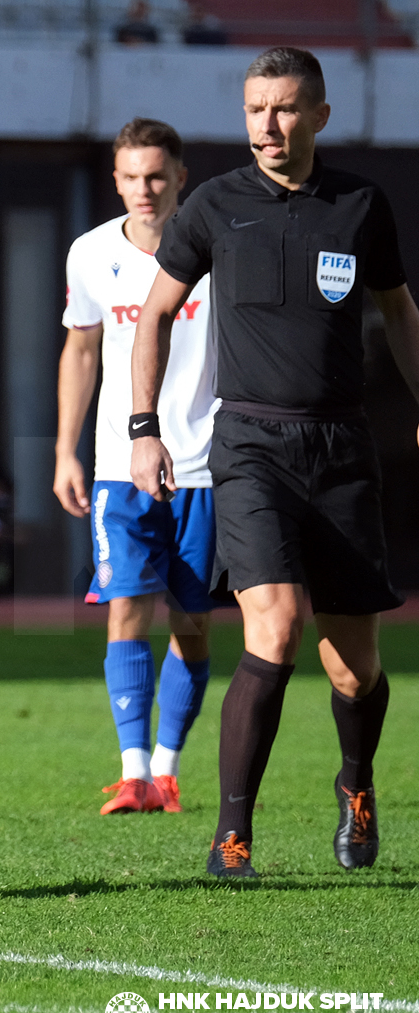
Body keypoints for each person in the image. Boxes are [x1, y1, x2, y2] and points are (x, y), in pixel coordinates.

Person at [129, 48, 419, 877]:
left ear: (319, 116)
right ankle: (231, 836)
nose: (267, 125)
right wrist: (144, 428)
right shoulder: (215, 207)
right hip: (250, 445)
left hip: (341, 451)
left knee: (354, 669)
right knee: (277, 627)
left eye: (285, 109)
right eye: (256, 108)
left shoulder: (361, 206)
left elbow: (401, 313)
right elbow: (154, 316)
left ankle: (357, 785)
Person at [54, 117, 218, 818]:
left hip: (206, 465)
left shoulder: (218, 246)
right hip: (120, 465)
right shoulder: (90, 254)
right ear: (114, 181)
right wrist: (66, 448)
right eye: (130, 177)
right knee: (125, 607)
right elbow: (81, 353)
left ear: (181, 176)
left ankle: (168, 769)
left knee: (191, 623)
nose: (144, 190)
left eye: (156, 176)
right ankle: (133, 772)